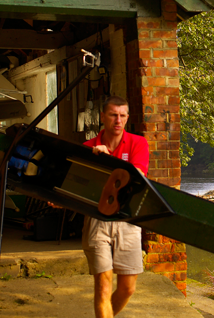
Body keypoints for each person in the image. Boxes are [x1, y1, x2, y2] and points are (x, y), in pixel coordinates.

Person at [80, 95, 149, 318]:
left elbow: (137, 177)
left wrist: (108, 163)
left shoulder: (139, 143)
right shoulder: (88, 147)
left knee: (128, 288)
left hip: (127, 220)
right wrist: (96, 161)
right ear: (102, 117)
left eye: (122, 116)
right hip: (97, 220)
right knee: (103, 286)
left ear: (127, 118)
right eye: (112, 115)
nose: (117, 120)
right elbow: (83, 185)